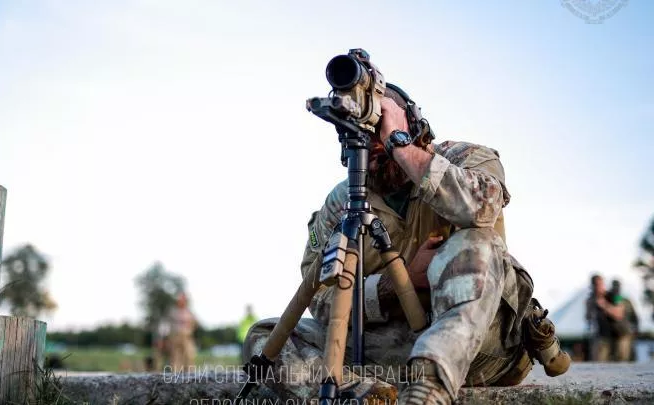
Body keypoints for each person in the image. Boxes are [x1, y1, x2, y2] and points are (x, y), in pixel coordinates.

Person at [242, 84, 567, 404]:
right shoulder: (343, 203)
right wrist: (395, 284)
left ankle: (432, 383)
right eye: (363, 150)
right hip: (397, 347)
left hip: (485, 346)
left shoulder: (463, 157)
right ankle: (363, 395)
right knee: (264, 338)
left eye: (381, 154)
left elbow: (480, 205)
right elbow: (322, 301)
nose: (371, 164)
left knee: (473, 241)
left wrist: (399, 144)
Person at [607, 279, 639, 361]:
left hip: (624, 334)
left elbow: (635, 317)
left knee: (623, 358)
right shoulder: (608, 300)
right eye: (615, 286)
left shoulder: (626, 301)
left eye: (618, 286)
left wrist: (636, 329)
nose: (616, 288)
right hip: (611, 336)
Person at [164, 292, 197, 370]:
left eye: (183, 299)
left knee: (189, 356)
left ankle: (190, 376)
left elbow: (194, 324)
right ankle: (175, 377)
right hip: (175, 337)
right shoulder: (172, 312)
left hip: (186, 337)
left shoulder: (189, 312)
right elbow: (167, 325)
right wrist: (166, 338)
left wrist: (190, 330)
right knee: (176, 357)